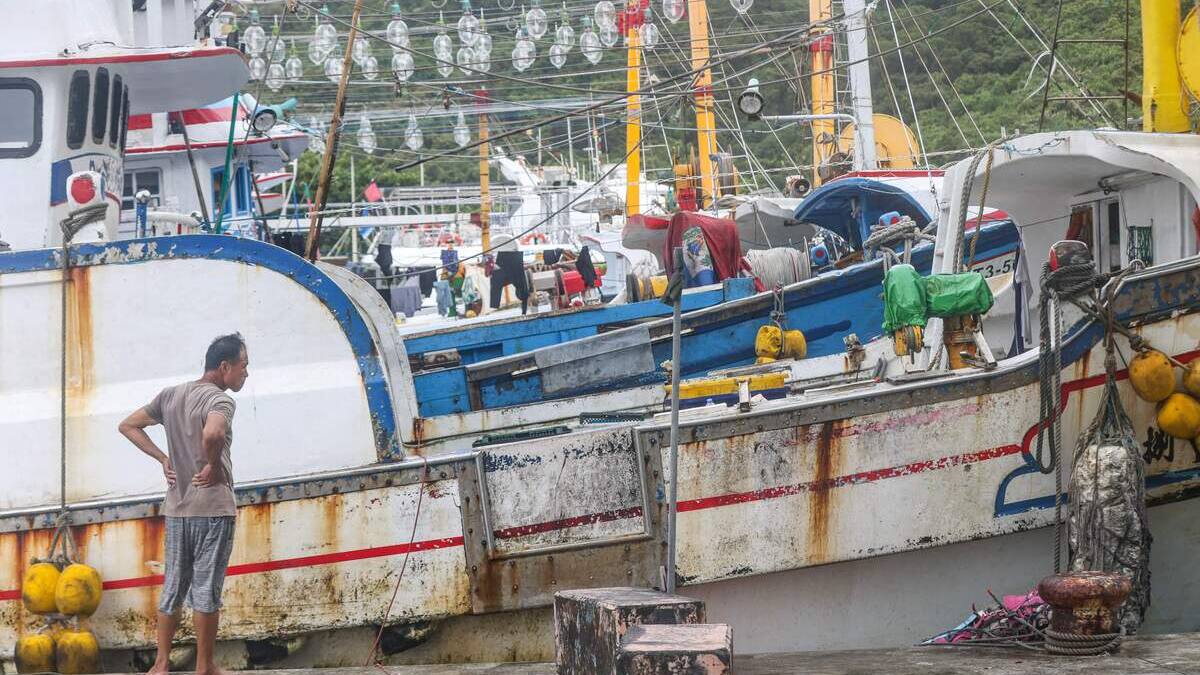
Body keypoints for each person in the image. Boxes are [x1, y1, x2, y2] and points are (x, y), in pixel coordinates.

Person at [118, 333, 249, 675]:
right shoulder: (221, 400)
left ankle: (161, 664)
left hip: (177, 508)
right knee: (206, 588)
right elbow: (214, 434)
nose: (246, 374)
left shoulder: (170, 395)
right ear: (225, 367)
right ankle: (204, 666)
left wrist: (163, 458)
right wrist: (214, 466)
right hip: (214, 510)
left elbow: (128, 425)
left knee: (173, 585)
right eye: (244, 366)